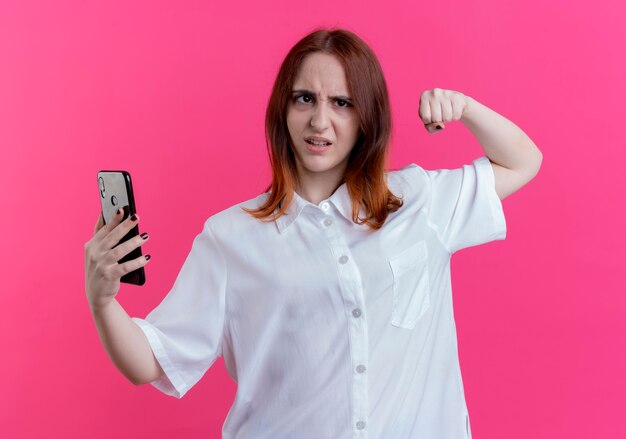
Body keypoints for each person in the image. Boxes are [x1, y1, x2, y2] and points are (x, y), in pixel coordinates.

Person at [84, 28, 542, 438]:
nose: (319, 121)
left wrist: (463, 108)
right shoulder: (230, 238)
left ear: (367, 118)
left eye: (341, 103)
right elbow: (149, 361)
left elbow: (523, 161)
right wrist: (102, 300)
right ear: (282, 110)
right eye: (304, 98)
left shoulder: (418, 201)